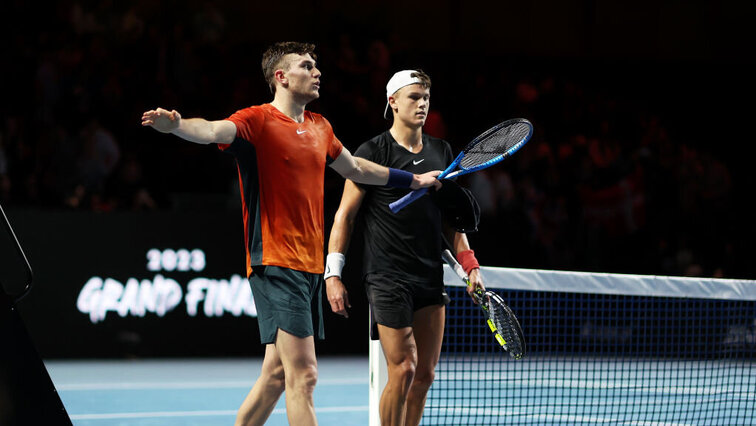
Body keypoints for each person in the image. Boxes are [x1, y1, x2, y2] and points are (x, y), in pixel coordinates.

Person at [141, 43, 441, 426]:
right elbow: (214, 129)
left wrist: (411, 179)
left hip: (309, 266)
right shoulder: (257, 121)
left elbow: (358, 169)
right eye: (306, 65)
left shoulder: (321, 126)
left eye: (316, 65)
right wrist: (178, 126)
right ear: (281, 77)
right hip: (275, 261)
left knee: (276, 377)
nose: (317, 72)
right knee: (305, 375)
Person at [325, 70, 485, 426]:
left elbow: (451, 223)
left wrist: (470, 266)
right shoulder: (372, 151)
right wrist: (333, 273)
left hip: (429, 275)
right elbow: (345, 217)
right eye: (414, 97)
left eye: (427, 97)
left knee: (424, 376)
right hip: (386, 276)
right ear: (393, 101)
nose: (423, 104)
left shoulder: (441, 151)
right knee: (404, 367)